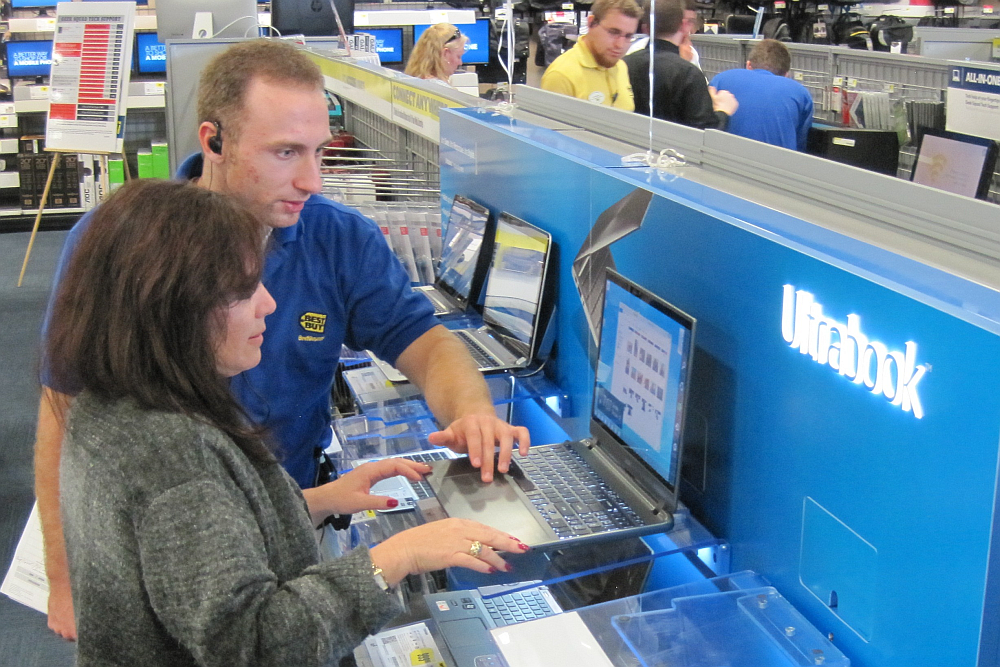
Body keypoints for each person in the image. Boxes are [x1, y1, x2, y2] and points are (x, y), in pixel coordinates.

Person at [35, 38, 529, 641]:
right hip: (173, 538)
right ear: (214, 139)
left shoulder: (339, 239)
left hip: (281, 511)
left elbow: (423, 340)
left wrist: (472, 416)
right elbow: (64, 412)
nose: (311, 180)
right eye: (285, 152)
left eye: (320, 152)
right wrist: (64, 579)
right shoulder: (118, 246)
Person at [623, 0, 737, 128]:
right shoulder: (689, 74)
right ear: (684, 25)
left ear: (645, 28)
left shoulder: (624, 65)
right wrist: (723, 111)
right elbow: (706, 134)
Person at [708, 39, 814, 151]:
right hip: (777, 166)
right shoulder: (801, 93)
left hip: (722, 162)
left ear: (748, 65)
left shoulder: (720, 80)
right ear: (786, 74)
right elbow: (801, 144)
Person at [540, 0, 641, 110]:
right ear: (591, 23)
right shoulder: (561, 76)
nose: (620, 45)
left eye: (628, 36)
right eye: (613, 32)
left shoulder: (620, 66)